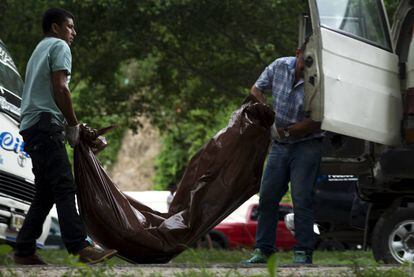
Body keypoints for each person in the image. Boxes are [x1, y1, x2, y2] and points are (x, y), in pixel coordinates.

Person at [14, 8, 117, 265]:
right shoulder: (59, 46)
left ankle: (24, 250)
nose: (74, 32)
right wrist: (73, 124)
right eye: (69, 27)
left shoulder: (39, 50)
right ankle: (80, 246)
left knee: (45, 193)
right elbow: (61, 87)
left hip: (31, 126)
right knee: (64, 186)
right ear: (55, 28)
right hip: (45, 124)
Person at [243, 42, 323, 264]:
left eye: (314, 63)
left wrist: (286, 131)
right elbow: (256, 88)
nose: (309, 66)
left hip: (307, 143)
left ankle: (303, 252)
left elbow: (317, 122)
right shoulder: (279, 66)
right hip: (279, 144)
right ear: (298, 54)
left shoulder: (321, 80)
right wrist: (266, 112)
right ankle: (263, 250)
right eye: (306, 60)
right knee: (267, 196)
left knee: (301, 197)